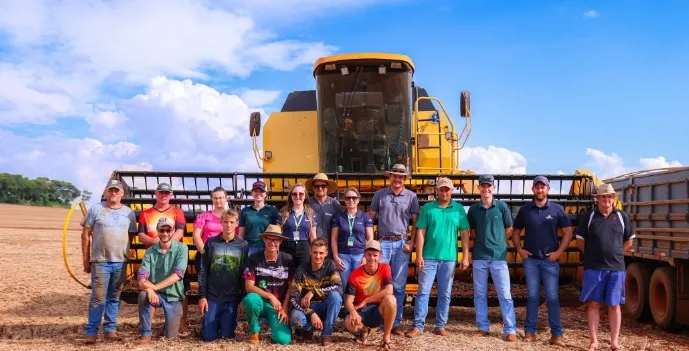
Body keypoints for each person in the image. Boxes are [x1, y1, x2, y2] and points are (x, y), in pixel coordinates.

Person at [511, 176, 573, 346]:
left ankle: (557, 335)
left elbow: (568, 232)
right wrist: (520, 250)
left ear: (548, 189)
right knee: (532, 296)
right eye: (537, 187)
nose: (540, 190)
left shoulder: (557, 209)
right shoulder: (525, 210)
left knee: (552, 297)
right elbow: (515, 232)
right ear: (533, 190)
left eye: (543, 187)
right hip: (530, 260)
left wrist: (559, 252)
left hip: (550, 261)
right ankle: (530, 332)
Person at [406, 177, 471, 337]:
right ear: (437, 190)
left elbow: (464, 233)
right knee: (423, 292)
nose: (444, 192)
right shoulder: (428, 208)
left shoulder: (459, 209)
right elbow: (420, 232)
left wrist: (465, 256)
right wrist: (419, 255)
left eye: (447, 189)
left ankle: (440, 325)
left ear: (452, 191)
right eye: (441, 189)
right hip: (428, 257)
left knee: (445, 293)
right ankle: (418, 326)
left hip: (449, 258)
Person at [575, 183, 635, 351]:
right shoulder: (590, 217)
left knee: (614, 305)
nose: (606, 200)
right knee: (593, 304)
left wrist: (616, 254)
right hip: (594, 267)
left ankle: (614, 342)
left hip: (616, 268)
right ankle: (594, 342)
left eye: (609, 196)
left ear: (613, 199)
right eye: (603, 196)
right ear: (598, 199)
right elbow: (580, 240)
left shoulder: (622, 216)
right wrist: (592, 254)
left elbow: (629, 240)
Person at [81, 179, 138, 344]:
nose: (113, 193)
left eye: (117, 190)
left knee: (114, 297)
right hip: (100, 261)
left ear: (122, 193)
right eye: (111, 190)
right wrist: (86, 260)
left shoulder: (129, 213)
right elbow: (85, 235)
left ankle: (110, 330)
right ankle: (91, 332)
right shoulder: (96, 209)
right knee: (98, 298)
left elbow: (131, 237)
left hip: (120, 262)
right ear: (106, 192)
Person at [369, 164, 419, 336]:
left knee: (398, 285)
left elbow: (416, 223)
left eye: (401, 176)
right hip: (383, 243)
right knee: (378, 283)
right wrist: (372, 242)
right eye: (395, 176)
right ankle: (376, 320)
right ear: (390, 177)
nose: (397, 179)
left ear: (405, 179)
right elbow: (370, 220)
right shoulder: (379, 195)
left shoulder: (411, 197)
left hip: (401, 244)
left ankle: (395, 322)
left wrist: (411, 243)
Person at [467, 174, 518, 342]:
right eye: (483, 186)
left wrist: (499, 243)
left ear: (493, 188)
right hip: (480, 256)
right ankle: (483, 327)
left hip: (498, 257)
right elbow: (472, 231)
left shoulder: (502, 207)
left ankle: (510, 329)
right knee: (480, 294)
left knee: (504, 293)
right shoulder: (474, 210)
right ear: (479, 188)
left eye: (488, 186)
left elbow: (509, 228)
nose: (485, 188)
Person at [136, 182, 190, 333]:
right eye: (161, 193)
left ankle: (181, 323)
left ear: (171, 195)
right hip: (154, 257)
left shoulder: (176, 211)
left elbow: (180, 231)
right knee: (147, 292)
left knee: (181, 290)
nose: (164, 195)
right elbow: (140, 235)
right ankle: (146, 328)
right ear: (156, 193)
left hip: (173, 255)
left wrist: (168, 244)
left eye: (167, 193)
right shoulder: (145, 213)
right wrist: (155, 243)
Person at [197, 208, 249, 342]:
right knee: (208, 337)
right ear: (221, 222)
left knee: (227, 337)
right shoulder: (211, 242)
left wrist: (242, 299)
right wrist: (202, 296)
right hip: (212, 297)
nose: (229, 225)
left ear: (237, 223)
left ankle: (228, 322)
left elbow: (244, 274)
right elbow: (203, 270)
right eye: (225, 222)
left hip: (231, 298)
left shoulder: (243, 245)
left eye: (232, 222)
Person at [241, 224, 294, 345]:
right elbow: (249, 287)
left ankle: (278, 329)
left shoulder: (287, 259)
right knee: (250, 299)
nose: (272, 242)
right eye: (269, 239)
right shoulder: (254, 258)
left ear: (280, 241)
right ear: (264, 239)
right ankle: (254, 331)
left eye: (275, 239)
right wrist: (271, 296)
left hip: (277, 306)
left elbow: (291, 286)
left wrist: (285, 307)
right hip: (260, 301)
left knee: (283, 340)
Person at [343, 240, 397, 350]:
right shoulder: (355, 275)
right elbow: (348, 300)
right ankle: (365, 329)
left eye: (375, 255)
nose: (372, 258)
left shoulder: (385, 268)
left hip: (379, 309)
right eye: (369, 255)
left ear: (380, 256)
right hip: (362, 310)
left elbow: (389, 290)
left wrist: (367, 300)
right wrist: (353, 312)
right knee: (348, 323)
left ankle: (386, 337)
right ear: (364, 254)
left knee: (391, 299)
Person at [289, 238, 343, 346]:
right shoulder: (301, 270)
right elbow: (294, 297)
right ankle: (308, 329)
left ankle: (326, 334)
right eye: (315, 252)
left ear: (326, 253)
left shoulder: (330, 265)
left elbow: (338, 287)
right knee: (295, 317)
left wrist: (313, 291)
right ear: (310, 251)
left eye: (321, 253)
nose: (318, 256)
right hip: (308, 307)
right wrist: (311, 312)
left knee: (336, 297)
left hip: (324, 306)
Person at [331, 187, 374, 288]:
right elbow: (334, 238)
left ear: (358, 199)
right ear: (344, 200)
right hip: (343, 256)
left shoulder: (365, 217)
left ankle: (358, 304)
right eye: (348, 198)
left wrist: (365, 257)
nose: (351, 200)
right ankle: (347, 304)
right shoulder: (339, 217)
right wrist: (336, 257)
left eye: (354, 198)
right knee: (346, 285)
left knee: (359, 284)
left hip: (359, 255)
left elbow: (370, 239)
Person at [239, 181, 282, 256]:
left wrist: (276, 250)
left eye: (261, 191)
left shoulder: (272, 210)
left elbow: (277, 233)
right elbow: (241, 235)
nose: (258, 193)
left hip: (267, 247)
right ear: (252, 193)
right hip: (249, 248)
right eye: (255, 191)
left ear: (266, 194)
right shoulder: (245, 211)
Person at [279, 183, 317, 269]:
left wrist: (315, 250)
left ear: (305, 196)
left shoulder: (310, 213)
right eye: (294, 194)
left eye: (301, 194)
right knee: (286, 274)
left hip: (304, 246)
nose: (297, 196)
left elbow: (313, 235)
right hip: (286, 245)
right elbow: (278, 231)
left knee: (303, 274)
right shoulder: (283, 211)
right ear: (291, 196)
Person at [306, 173, 342, 259]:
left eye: (323, 186)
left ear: (327, 187)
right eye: (317, 186)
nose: (320, 188)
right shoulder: (307, 204)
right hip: (311, 247)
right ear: (313, 187)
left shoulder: (335, 204)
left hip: (330, 247)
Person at [192, 186, 229, 253]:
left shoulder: (231, 217)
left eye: (220, 198)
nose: (218, 200)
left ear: (226, 198)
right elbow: (196, 235)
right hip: (206, 253)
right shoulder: (203, 216)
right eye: (215, 198)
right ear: (212, 199)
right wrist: (204, 253)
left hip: (225, 254)